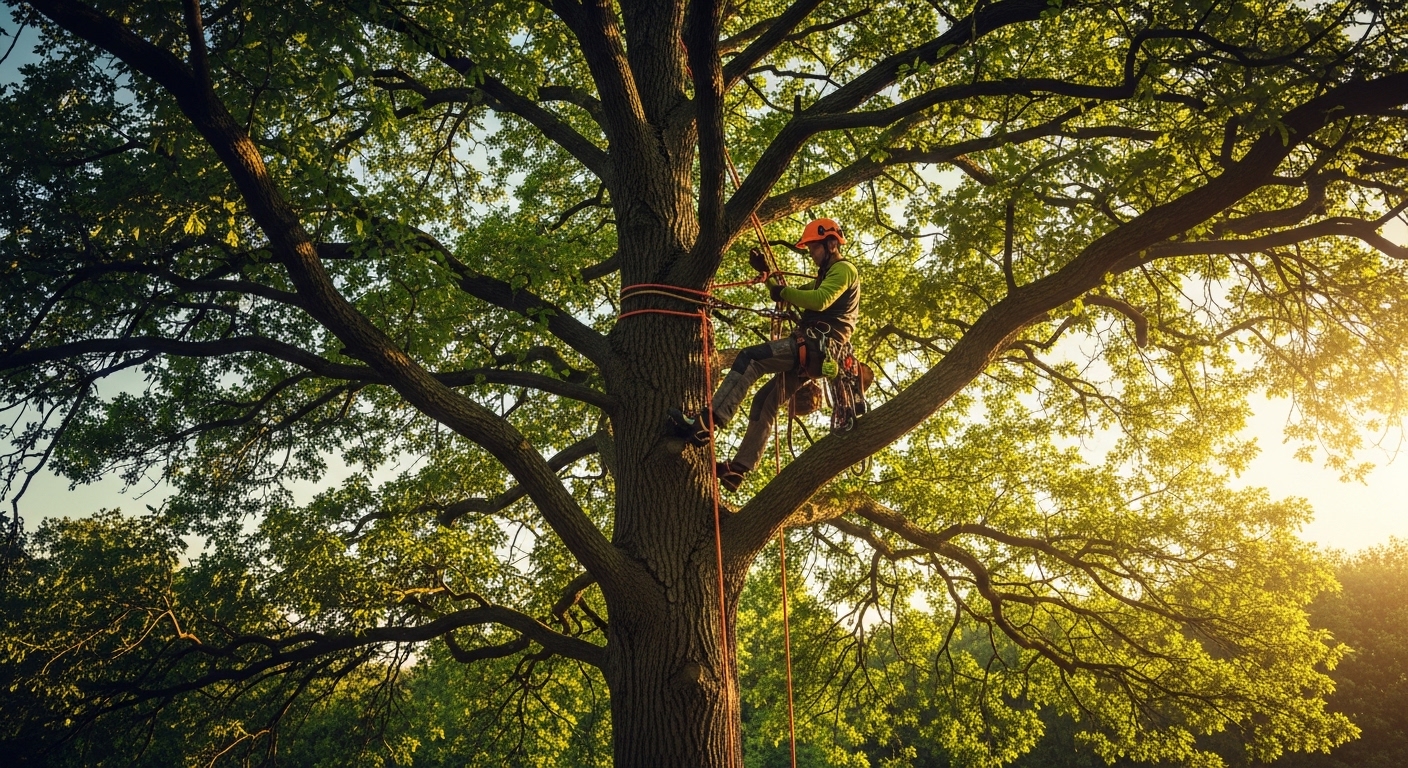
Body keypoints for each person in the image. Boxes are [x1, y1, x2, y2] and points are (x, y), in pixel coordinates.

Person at [670, 217, 860, 491]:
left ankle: (706, 421)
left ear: (831, 243)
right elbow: (784, 295)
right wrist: (768, 276)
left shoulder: (844, 270)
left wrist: (782, 290)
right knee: (765, 402)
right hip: (816, 354)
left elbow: (819, 300)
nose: (810, 253)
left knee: (751, 358)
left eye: (814, 248)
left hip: (818, 345)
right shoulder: (825, 276)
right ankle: (739, 469)